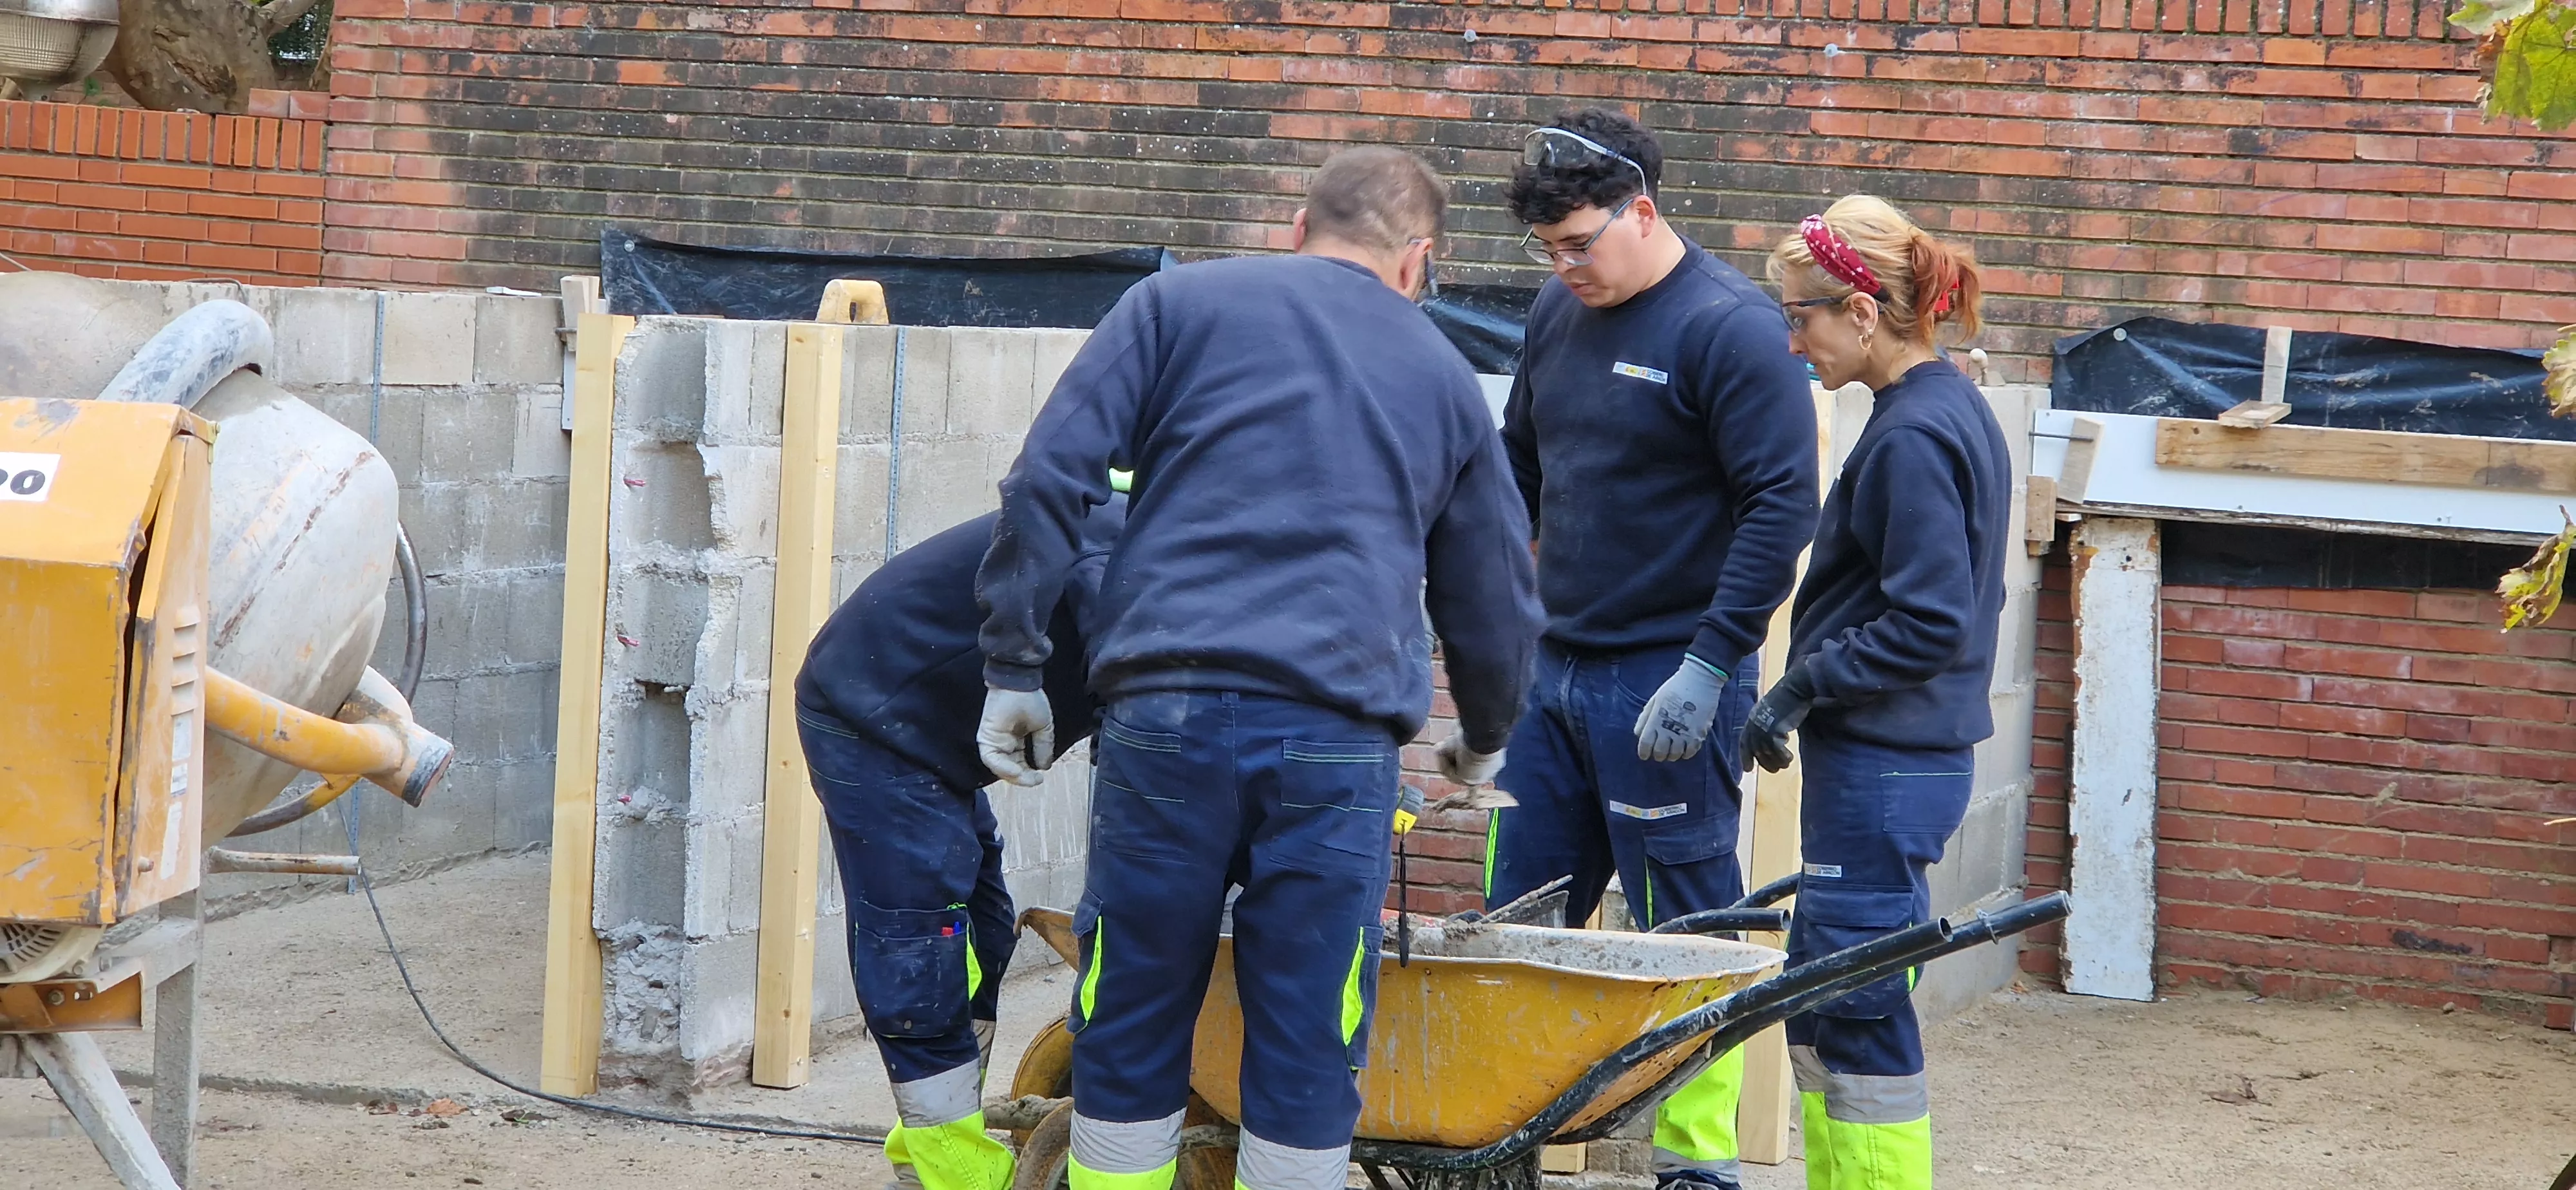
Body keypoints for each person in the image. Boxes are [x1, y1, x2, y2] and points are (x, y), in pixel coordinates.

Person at [974, 147, 1543, 1190]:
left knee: (1131, 1000)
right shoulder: (1439, 373)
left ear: (1297, 225)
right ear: (1418, 261)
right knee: (1310, 1020)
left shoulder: (1172, 305)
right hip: (1336, 741)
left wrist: (1015, 664)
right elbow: (1493, 586)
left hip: (1165, 718)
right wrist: (1488, 729)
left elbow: (1050, 476)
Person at [1482, 108, 1821, 1190]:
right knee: (1517, 920)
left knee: (1685, 924)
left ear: (1644, 209)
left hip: (1667, 676)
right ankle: (1501, 1142)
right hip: (1555, 669)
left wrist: (1712, 661)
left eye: (1581, 241)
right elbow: (1519, 464)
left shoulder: (1729, 329)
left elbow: (1782, 506)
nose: (1564, 265)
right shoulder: (1555, 312)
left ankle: (1696, 1163)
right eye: (1547, 249)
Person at [1741, 195, 2007, 1190]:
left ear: (1862, 310)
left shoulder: (1912, 436)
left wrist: (1804, 685)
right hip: (1890, 762)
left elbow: (1932, 620)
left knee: (1855, 1009)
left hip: (1889, 766)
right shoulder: (1939, 409)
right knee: (1825, 1001)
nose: (1792, 337)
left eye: (1801, 313)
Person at [793, 490, 1126, 1190]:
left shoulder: (1184, 539)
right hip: (869, 709)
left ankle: (925, 1153)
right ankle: (955, 1174)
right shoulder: (1121, 549)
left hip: (933, 734)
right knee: (923, 939)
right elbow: (1142, 708)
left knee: (982, 931)